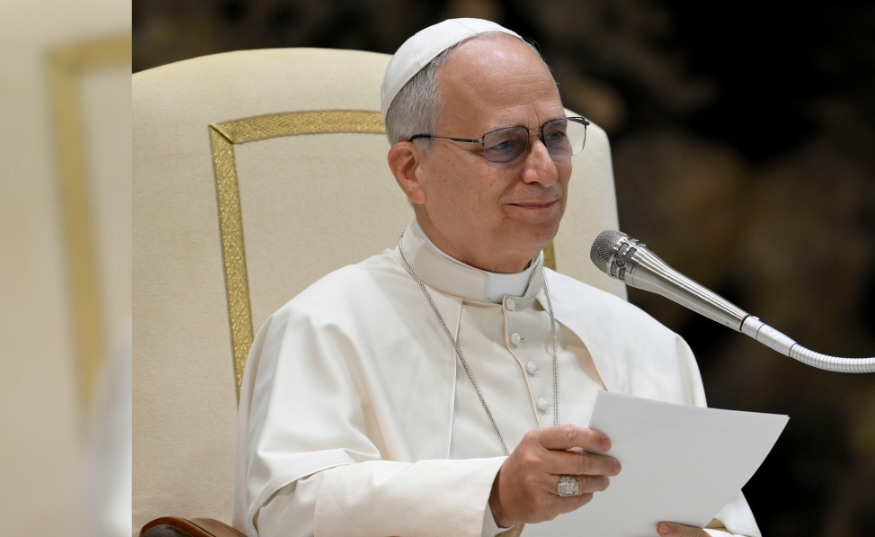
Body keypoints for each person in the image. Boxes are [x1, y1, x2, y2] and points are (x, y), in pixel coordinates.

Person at [232, 18, 761, 537]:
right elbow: (286, 513)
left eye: (554, 136)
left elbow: (723, 522)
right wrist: (495, 493)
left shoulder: (646, 343)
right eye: (503, 144)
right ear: (411, 170)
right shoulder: (321, 328)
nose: (545, 170)